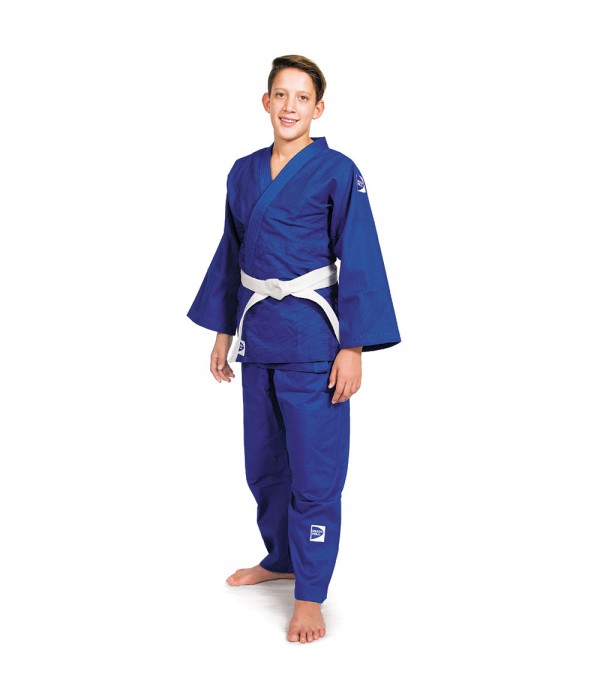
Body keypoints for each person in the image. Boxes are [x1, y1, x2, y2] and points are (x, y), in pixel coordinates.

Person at [186, 55, 401, 643]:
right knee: (264, 466)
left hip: (313, 343)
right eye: (280, 95)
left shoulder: (337, 171)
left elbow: (361, 255)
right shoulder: (242, 172)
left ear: (318, 108)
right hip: (258, 338)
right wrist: (223, 331)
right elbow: (231, 252)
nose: (290, 106)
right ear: (266, 102)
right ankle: (280, 558)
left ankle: (310, 593)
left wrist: (353, 347)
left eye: (302, 97)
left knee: (314, 472)